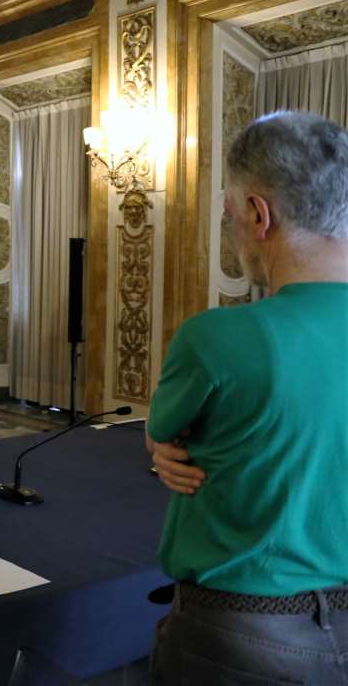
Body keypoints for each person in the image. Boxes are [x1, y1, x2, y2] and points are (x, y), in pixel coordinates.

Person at [146, 112, 348, 684]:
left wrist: (159, 443)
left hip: (241, 636)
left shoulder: (217, 338)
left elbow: (164, 433)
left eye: (230, 217)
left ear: (259, 215)